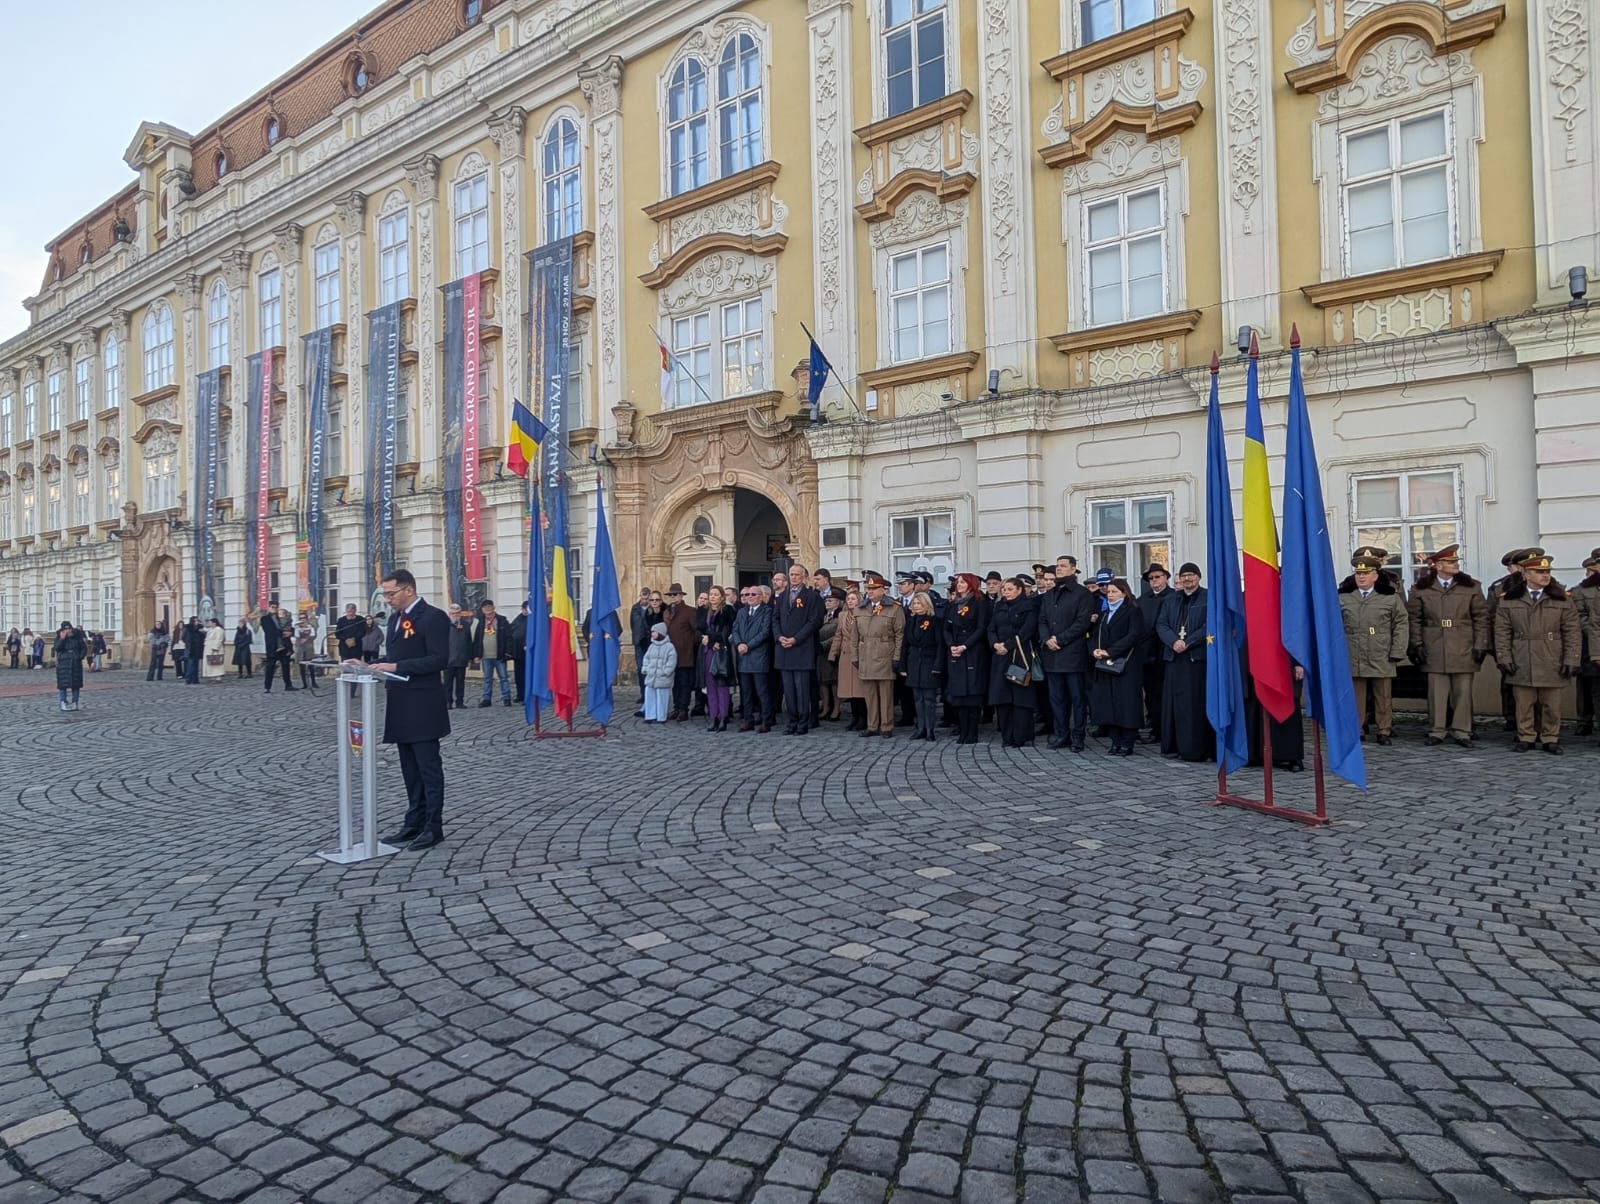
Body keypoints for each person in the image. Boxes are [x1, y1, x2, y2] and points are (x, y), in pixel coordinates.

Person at [367, 570, 451, 851]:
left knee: (428, 768)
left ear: (409, 590)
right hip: (401, 702)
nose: (387, 599)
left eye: (391, 594)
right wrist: (371, 663)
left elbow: (438, 659)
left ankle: (433, 825)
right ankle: (413, 820)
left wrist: (396, 667)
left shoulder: (432, 617)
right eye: (385, 594)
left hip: (424, 704)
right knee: (409, 769)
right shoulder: (395, 619)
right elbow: (396, 657)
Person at [1494, 549, 1581, 754]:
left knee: (1551, 704)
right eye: (1539, 572)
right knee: (1524, 703)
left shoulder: (1562, 599)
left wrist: (1572, 659)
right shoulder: (1509, 599)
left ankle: (1550, 737)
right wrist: (1504, 657)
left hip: (1552, 655)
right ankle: (1526, 736)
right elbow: (1502, 631)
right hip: (1522, 655)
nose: (1545, 575)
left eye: (1547, 572)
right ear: (1525, 574)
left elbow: (1572, 632)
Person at [1406, 544, 1489, 748]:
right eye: (1450, 562)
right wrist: (1416, 643)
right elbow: (1414, 618)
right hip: (1434, 644)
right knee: (1437, 692)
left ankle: (1462, 731)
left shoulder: (1471, 587)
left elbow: (1481, 618)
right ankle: (1437, 730)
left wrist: (1481, 644)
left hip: (1463, 643)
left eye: (1455, 562)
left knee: (1463, 691)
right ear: (1438, 565)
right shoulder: (1421, 589)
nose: (1455, 565)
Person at [1338, 547, 1408, 745]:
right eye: (1358, 573)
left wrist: (1398, 650)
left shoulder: (1389, 597)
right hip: (1354, 651)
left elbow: (1401, 624)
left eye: (1366, 573)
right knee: (1356, 696)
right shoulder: (1344, 596)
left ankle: (1384, 730)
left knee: (1383, 696)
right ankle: (1357, 728)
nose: (1361, 577)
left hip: (1381, 650)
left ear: (1375, 576)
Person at [1036, 559, 1095, 752]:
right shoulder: (1049, 595)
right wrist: (1047, 639)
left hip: (1073, 654)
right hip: (1051, 655)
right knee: (1056, 698)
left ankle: (1078, 736)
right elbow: (1042, 620)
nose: (1059, 568)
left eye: (1062, 566)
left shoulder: (1082, 594)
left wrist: (1060, 640)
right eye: (1057, 566)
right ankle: (1061, 734)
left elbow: (1082, 622)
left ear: (1072, 569)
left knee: (1077, 699)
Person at [1156, 563, 1212, 762]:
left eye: (1191, 575)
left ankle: (1196, 749)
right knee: (1175, 705)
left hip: (1196, 659)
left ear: (1198, 577)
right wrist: (1173, 641)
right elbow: (1161, 624)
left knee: (1194, 705)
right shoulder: (1171, 599)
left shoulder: (1208, 597)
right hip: (1173, 658)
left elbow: (1210, 625)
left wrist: (1187, 642)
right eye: (1184, 575)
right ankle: (1175, 746)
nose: (1187, 579)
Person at [1089, 576, 1146, 756]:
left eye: (1114, 592)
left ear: (1124, 593)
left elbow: (1132, 636)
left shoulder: (1132, 611)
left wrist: (1111, 651)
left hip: (1126, 665)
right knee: (1109, 705)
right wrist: (1095, 650)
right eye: (1109, 592)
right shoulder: (1105, 613)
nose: (1110, 595)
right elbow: (1094, 635)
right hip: (1106, 665)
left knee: (1126, 705)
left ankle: (1127, 742)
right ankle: (1115, 741)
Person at [986, 576, 1039, 748]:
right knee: (1002, 697)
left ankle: (1021, 736)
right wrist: (995, 644)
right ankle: (1007, 736)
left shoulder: (1028, 607)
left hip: (1019, 655)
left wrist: (1008, 646)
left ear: (1019, 590)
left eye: (1009, 589)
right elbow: (991, 628)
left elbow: (1027, 630)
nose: (1006, 592)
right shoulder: (1000, 606)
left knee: (1020, 698)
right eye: (1004, 590)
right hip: (1000, 656)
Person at [774, 564, 823, 736]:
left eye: (797, 575)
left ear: (804, 577)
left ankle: (803, 721)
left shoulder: (812, 596)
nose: (794, 577)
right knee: (788, 689)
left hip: (801, 648)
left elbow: (814, 622)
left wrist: (796, 639)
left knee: (802, 689)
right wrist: (779, 636)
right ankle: (791, 721)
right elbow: (775, 619)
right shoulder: (782, 596)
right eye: (791, 575)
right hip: (784, 649)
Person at [855, 572, 905, 738]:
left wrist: (897, 656)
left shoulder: (894, 608)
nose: (870, 591)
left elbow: (900, 634)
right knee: (869, 694)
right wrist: (855, 656)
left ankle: (886, 726)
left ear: (883, 590)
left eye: (874, 588)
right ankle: (872, 725)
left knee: (885, 694)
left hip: (885, 652)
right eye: (868, 588)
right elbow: (855, 636)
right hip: (866, 654)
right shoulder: (860, 608)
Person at [943, 573, 990, 745]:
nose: (959, 584)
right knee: (960, 695)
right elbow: (946, 628)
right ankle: (963, 731)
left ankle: (972, 732)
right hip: (956, 651)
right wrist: (951, 646)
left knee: (972, 695)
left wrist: (965, 646)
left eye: (962, 582)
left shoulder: (979, 603)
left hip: (973, 651)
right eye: (958, 582)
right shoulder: (953, 604)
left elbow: (981, 628)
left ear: (971, 584)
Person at [898, 592, 945, 741]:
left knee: (929, 698)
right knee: (917, 698)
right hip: (914, 662)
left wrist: (938, 665)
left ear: (926, 604)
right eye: (915, 604)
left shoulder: (935, 621)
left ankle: (930, 729)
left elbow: (940, 645)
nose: (916, 606)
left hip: (929, 662)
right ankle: (920, 728)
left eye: (919, 603)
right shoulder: (911, 621)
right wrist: (902, 666)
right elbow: (905, 645)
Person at [731, 584, 775, 731]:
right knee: (746, 692)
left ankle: (766, 720)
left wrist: (748, 645)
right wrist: (739, 644)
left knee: (762, 691)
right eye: (748, 594)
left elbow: (765, 632)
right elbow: (735, 629)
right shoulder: (742, 612)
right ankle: (748, 719)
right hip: (743, 656)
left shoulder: (767, 611)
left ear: (761, 597)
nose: (749, 597)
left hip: (758, 655)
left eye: (753, 594)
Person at [1136, 565, 1171, 744]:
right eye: (1151, 578)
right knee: (1151, 695)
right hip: (1147, 654)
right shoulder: (1143, 600)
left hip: (1167, 653)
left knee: (1167, 694)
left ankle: (1167, 730)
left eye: (1158, 577)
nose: (1155, 581)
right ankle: (1155, 728)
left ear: (1166, 577)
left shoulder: (1173, 597)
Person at [699, 585, 736, 732]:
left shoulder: (727, 611)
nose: (713, 597)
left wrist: (713, 639)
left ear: (722, 597)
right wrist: (704, 638)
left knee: (721, 685)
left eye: (716, 594)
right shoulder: (705, 612)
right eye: (711, 594)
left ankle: (723, 717)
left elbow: (726, 631)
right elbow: (699, 629)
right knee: (710, 686)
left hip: (721, 651)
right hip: (708, 650)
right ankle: (713, 716)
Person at [830, 587, 867, 732]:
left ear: (859, 601)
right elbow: (838, 635)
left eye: (853, 599)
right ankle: (854, 717)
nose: (850, 601)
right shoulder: (842, 615)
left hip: (858, 655)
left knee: (860, 691)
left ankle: (863, 718)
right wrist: (833, 654)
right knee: (849, 691)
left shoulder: (864, 614)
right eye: (849, 599)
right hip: (845, 656)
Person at [1573, 548, 1600, 739]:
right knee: (1590, 688)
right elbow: (1578, 616)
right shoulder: (1582, 591)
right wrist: (1592, 628)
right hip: (1590, 645)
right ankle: (1586, 721)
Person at [662, 584, 698, 721]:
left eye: (675, 594)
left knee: (685, 683)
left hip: (685, 653)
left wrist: (688, 643)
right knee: (675, 683)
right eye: (671, 595)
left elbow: (696, 631)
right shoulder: (666, 612)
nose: (673, 597)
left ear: (681, 595)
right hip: (670, 653)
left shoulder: (689, 611)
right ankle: (676, 707)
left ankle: (684, 708)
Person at [471, 598, 514, 708]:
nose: (487, 609)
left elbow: (509, 637)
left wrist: (508, 652)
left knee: (503, 677)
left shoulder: (502, 620)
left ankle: (506, 698)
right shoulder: (479, 621)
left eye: (489, 607)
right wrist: (476, 655)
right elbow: (476, 639)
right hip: (485, 655)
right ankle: (486, 699)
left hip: (499, 655)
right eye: (485, 608)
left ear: (493, 607)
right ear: (482, 609)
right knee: (487, 678)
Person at [640, 621, 676, 722]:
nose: (652, 634)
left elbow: (672, 660)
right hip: (651, 676)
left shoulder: (669, 647)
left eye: (654, 632)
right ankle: (650, 716)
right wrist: (646, 668)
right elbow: (646, 658)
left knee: (662, 698)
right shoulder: (652, 646)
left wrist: (666, 671)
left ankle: (661, 716)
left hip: (662, 677)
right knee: (650, 696)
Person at [817, 593, 842, 723]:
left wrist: (823, 645)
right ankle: (826, 707)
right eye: (826, 600)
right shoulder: (824, 617)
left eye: (830, 600)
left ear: (837, 603)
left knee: (833, 682)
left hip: (832, 652)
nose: (827, 603)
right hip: (821, 653)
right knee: (822, 681)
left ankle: (836, 709)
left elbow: (838, 635)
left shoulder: (840, 616)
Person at [53, 621, 87, 712]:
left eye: (69, 628)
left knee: (76, 685)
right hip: (63, 663)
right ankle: (63, 702)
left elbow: (84, 648)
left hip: (75, 663)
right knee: (62, 685)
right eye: (65, 629)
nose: (68, 630)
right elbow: (57, 648)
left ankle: (75, 702)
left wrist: (80, 657)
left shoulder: (77, 637)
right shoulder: (59, 638)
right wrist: (62, 639)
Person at [260, 607, 296, 692]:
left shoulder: (282, 618)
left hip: (284, 646)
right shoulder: (266, 619)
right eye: (272, 607)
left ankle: (288, 685)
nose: (274, 609)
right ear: (269, 608)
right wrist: (283, 633)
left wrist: (291, 633)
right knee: (270, 667)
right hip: (273, 647)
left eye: (275, 607)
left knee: (286, 667)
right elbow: (270, 631)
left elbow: (290, 628)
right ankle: (267, 687)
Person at [446, 608, 472, 709]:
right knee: (448, 684)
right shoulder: (444, 624)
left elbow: (469, 641)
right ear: (449, 614)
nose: (456, 615)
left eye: (457, 613)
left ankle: (459, 702)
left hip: (461, 658)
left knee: (460, 683)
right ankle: (448, 702)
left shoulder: (465, 625)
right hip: (448, 660)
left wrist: (470, 656)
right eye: (453, 613)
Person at [294, 615, 322, 692]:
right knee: (302, 667)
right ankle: (304, 683)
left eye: (304, 618)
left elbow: (313, 636)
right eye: (301, 618)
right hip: (300, 649)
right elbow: (297, 636)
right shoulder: (297, 628)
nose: (302, 620)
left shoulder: (310, 627)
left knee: (311, 666)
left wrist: (306, 639)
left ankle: (313, 682)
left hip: (309, 648)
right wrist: (299, 629)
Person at [510, 600, 530, 704]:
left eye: (527, 608)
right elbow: (512, 630)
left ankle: (528, 695)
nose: (525, 611)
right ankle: (520, 694)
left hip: (528, 652)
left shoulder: (533, 619)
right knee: (519, 675)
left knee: (527, 675)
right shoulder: (518, 619)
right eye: (524, 608)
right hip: (517, 652)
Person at [202, 618, 227, 683]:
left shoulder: (219, 630)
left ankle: (218, 677)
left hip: (215, 650)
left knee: (217, 663)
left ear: (214, 623)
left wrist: (215, 647)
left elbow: (219, 639)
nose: (209, 624)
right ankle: (211, 676)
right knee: (210, 663)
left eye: (210, 622)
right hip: (208, 649)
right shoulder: (210, 630)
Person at [183, 617, 205, 685]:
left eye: (197, 621)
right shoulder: (188, 628)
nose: (197, 622)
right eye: (195, 621)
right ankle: (188, 678)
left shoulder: (199, 629)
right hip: (191, 649)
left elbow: (202, 637)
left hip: (197, 648)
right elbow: (183, 637)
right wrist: (188, 644)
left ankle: (195, 679)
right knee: (190, 664)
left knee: (196, 665)